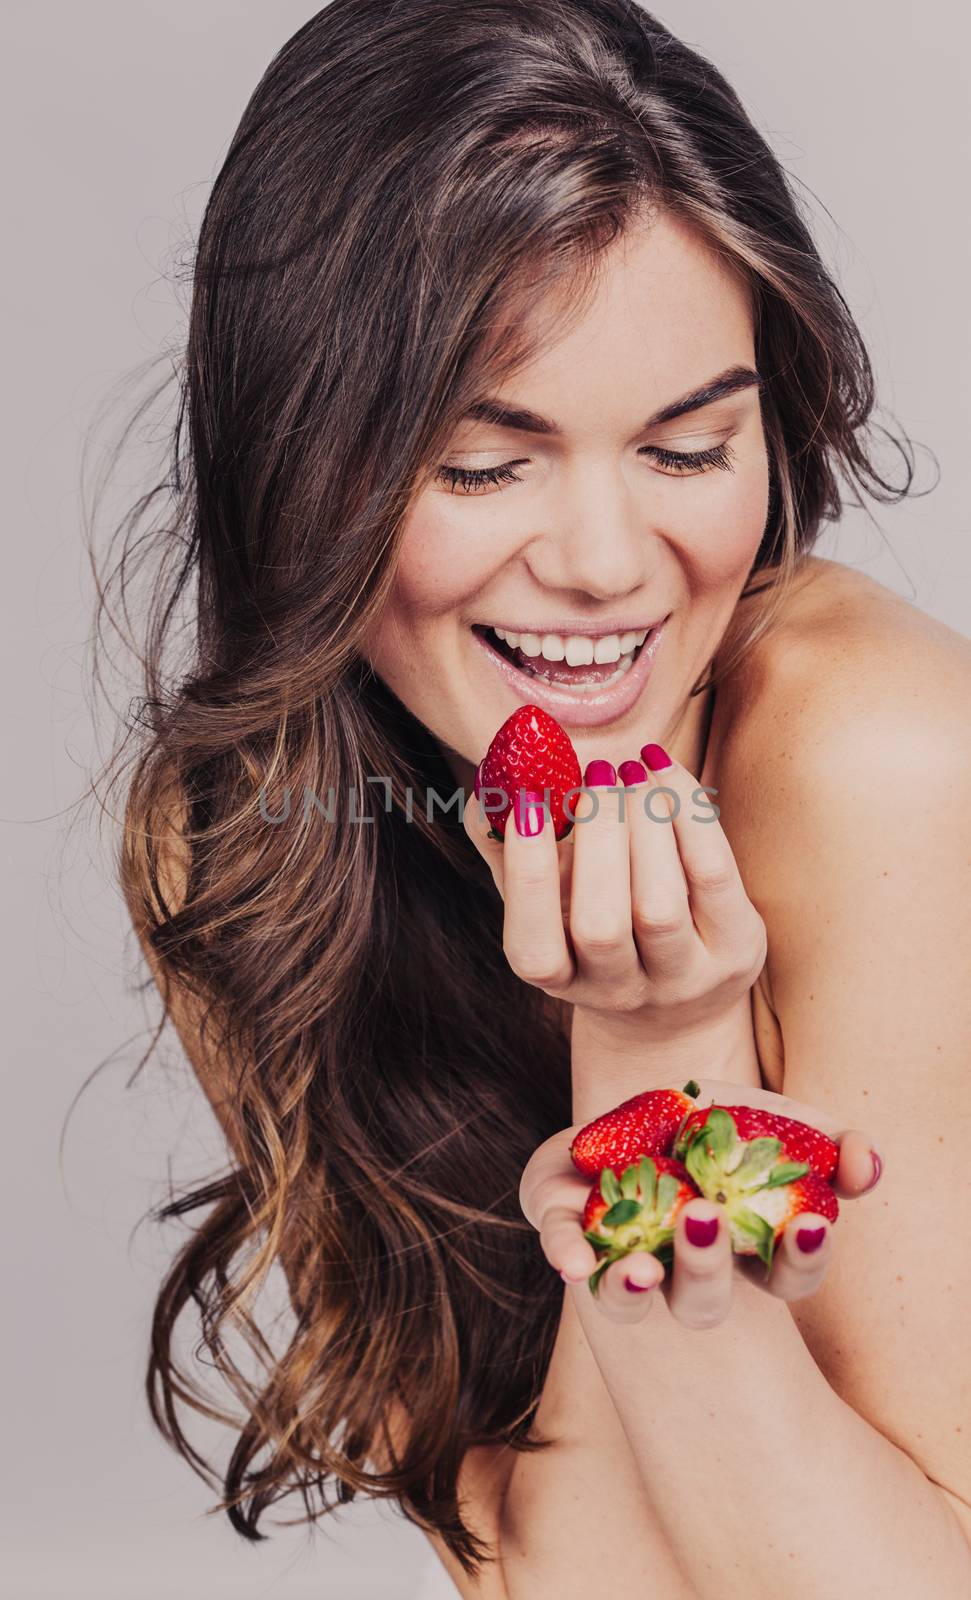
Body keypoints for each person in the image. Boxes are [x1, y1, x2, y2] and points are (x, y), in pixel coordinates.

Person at [96, 1, 971, 1594]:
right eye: (485, 467)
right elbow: (551, 1567)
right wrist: (638, 1127)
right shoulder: (255, 842)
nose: (605, 565)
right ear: (305, 470)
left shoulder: (876, 754)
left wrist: (658, 1050)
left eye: (689, 447)